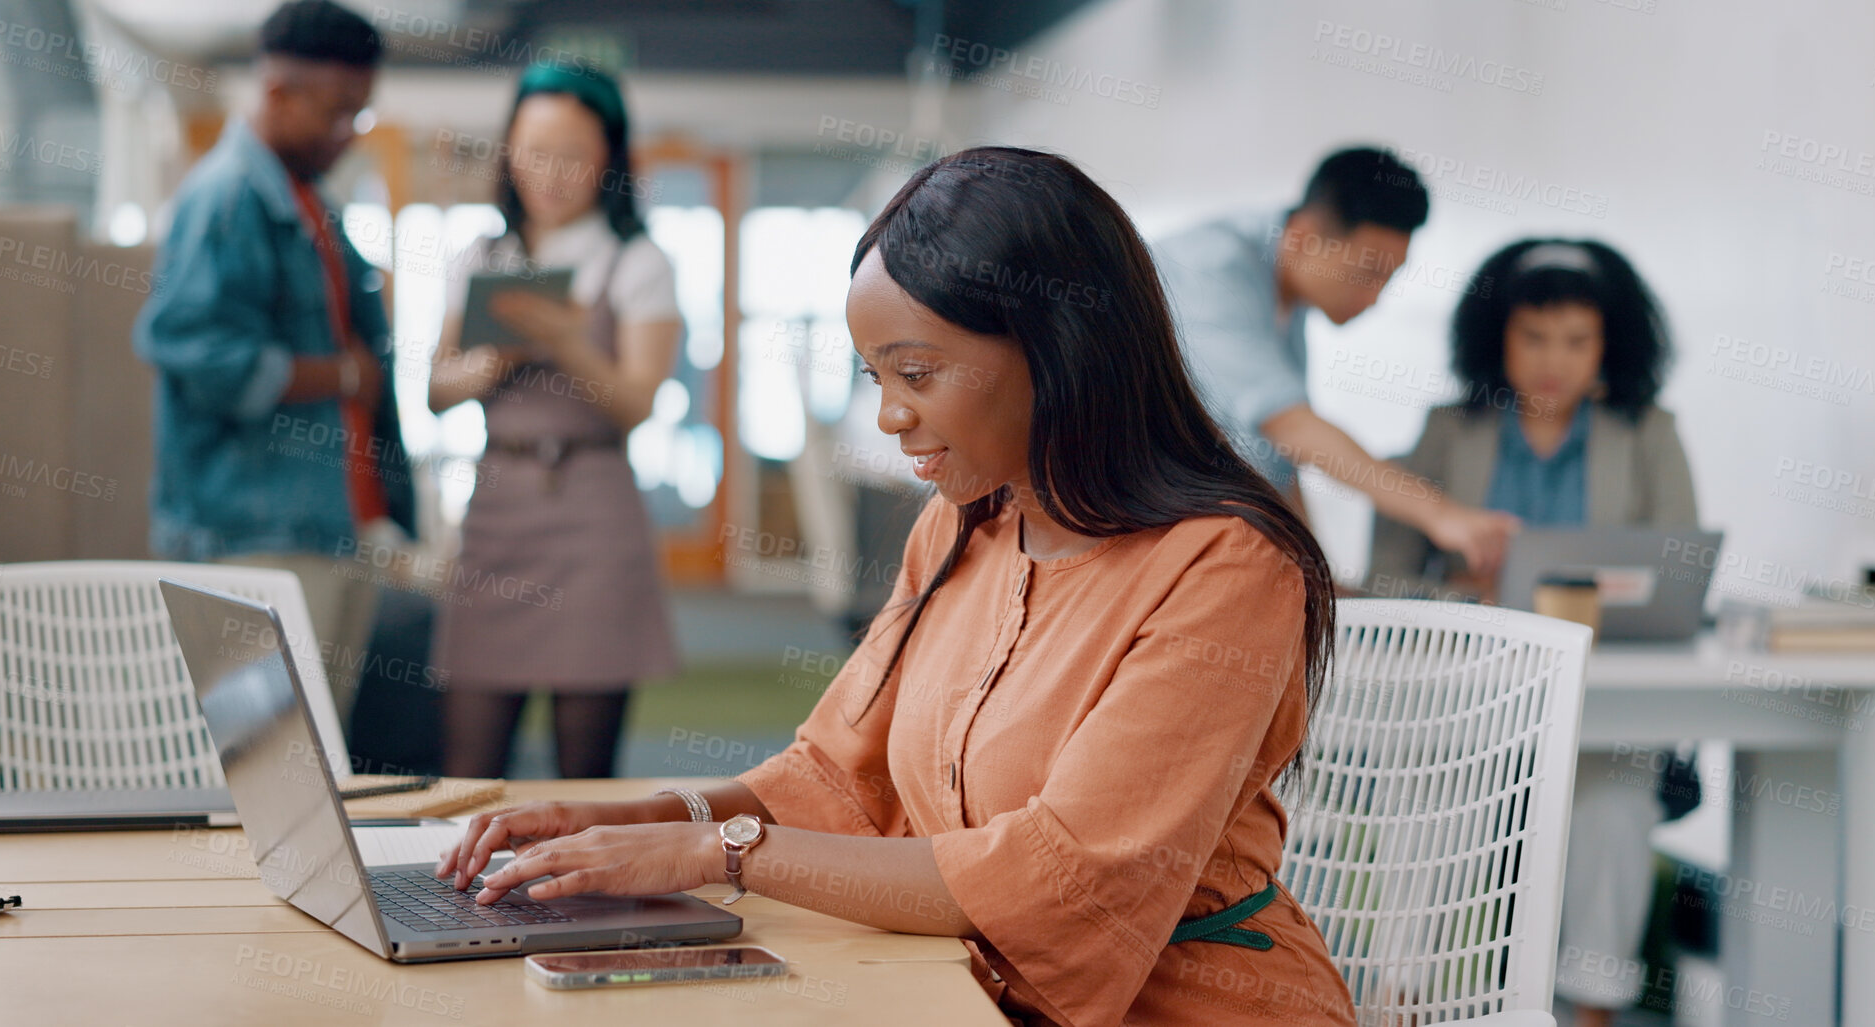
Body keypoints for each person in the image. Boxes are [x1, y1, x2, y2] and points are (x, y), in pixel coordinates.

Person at [439, 147, 1358, 1026]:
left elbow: (1068, 880)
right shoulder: (964, 524)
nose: (887, 414)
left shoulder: (1227, 566)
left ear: (1059, 344)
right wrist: (640, 818)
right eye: (876, 376)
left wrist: (714, 850)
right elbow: (835, 773)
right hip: (961, 987)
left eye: (915, 372)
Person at [1365, 238, 1698, 1025]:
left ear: (1609, 346)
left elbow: (1677, 569)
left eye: (1577, 341)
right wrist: (1461, 591)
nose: (1554, 361)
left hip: (1598, 703)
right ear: (1497, 339)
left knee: (1613, 806)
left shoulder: (1647, 431)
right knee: (1423, 799)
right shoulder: (1448, 430)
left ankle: (1590, 1010)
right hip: (1461, 699)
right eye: (1534, 337)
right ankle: (1400, 1000)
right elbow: (1381, 582)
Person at [135, 0, 415, 724]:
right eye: (337, 111)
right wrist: (341, 374)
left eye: (359, 112)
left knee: (316, 768)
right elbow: (192, 348)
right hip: (257, 537)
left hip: (327, 525)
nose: (347, 131)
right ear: (278, 92)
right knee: (267, 773)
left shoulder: (309, 201)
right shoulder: (228, 197)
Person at [426, 62, 682, 780]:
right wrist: (496, 357)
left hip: (594, 513)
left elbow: (637, 404)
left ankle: (582, 892)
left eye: (571, 154)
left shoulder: (637, 260)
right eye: (534, 151)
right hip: (497, 503)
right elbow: (435, 391)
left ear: (608, 159)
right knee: (468, 764)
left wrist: (565, 338)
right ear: (509, 150)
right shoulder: (482, 254)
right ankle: (455, 894)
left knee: (585, 774)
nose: (550, 172)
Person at [1155, 147, 1520, 583]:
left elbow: (1273, 465)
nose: (1374, 298)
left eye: (1389, 278)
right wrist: (1440, 515)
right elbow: (1292, 429)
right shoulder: (1209, 271)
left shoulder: (1284, 295)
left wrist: (1316, 579)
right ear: (1306, 236)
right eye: (1367, 273)